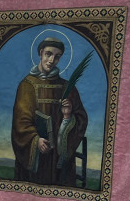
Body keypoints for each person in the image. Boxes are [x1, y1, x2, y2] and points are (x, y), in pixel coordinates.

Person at [11, 36, 88, 187]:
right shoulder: (27, 85)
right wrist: (35, 139)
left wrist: (67, 116)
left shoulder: (67, 87)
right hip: (37, 156)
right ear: (40, 53)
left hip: (58, 159)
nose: (51, 60)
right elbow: (20, 122)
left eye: (57, 56)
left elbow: (81, 119)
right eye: (48, 54)